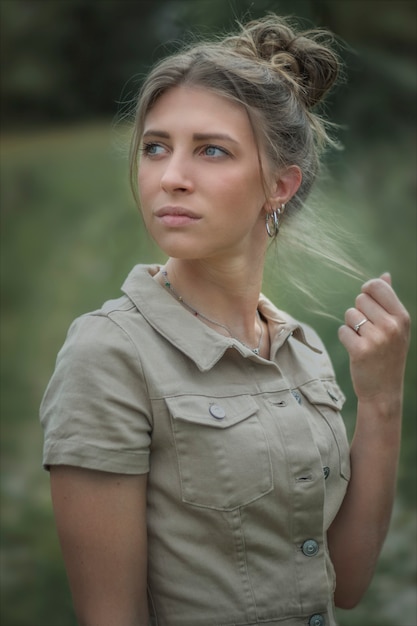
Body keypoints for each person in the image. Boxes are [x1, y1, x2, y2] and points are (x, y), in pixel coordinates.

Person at [40, 14, 410, 626]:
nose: (171, 177)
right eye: (156, 147)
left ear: (280, 185)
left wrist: (381, 401)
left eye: (211, 150)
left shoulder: (305, 352)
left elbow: (345, 582)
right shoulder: (110, 354)